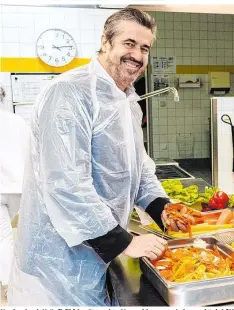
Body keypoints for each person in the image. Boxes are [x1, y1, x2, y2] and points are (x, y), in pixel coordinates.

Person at [8, 8, 172, 306]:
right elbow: (66, 184)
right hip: (56, 263)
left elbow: (139, 171)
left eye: (145, 48)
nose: (137, 54)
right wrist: (124, 242)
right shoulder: (69, 93)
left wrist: (164, 210)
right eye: (129, 43)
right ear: (105, 42)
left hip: (95, 255)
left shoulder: (127, 102)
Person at [0, 87, 31, 287]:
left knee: (3, 238)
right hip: (17, 189)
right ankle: (9, 282)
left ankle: (7, 285)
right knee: (5, 236)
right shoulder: (17, 121)